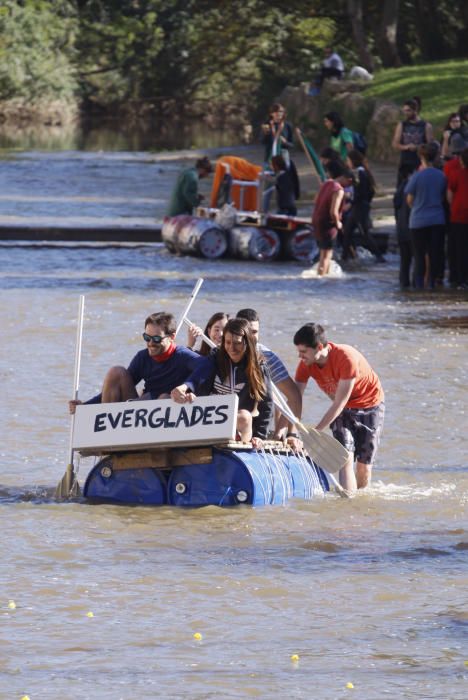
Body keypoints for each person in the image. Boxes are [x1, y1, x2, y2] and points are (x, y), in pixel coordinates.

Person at [293, 323, 384, 492]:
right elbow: (294, 398)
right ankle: (346, 506)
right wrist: (290, 431)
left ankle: (358, 500)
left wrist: (314, 433)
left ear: (319, 347)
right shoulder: (306, 364)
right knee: (344, 457)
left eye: (303, 352)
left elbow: (339, 402)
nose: (300, 356)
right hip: (343, 410)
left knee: (363, 469)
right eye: (298, 351)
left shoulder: (345, 358)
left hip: (370, 405)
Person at [69, 312, 201, 413]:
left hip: (168, 412)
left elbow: (206, 365)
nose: (150, 343)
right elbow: (116, 387)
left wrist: (185, 387)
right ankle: (110, 436)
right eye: (147, 337)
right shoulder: (142, 357)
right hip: (144, 409)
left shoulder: (183, 355)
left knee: (164, 398)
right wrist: (84, 407)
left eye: (156, 338)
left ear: (171, 337)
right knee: (116, 372)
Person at [171, 318, 273, 448]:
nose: (232, 348)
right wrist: (185, 387)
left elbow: (267, 404)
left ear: (248, 343)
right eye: (228, 342)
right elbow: (200, 373)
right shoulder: (216, 357)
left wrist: (260, 436)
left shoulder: (259, 367)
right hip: (210, 417)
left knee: (245, 416)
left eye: (237, 343)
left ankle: (239, 453)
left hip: (237, 423)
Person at [236, 308, 302, 443]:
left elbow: (294, 396)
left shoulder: (267, 357)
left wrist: (289, 434)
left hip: (255, 425)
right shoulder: (221, 351)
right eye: (247, 332)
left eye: (254, 332)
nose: (251, 337)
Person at [405, 143, 447, 289]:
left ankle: (418, 284)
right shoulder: (441, 175)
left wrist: (416, 206)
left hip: (418, 220)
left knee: (419, 255)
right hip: (437, 219)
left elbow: (409, 199)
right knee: (435, 253)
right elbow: (444, 196)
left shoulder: (416, 176)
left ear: (421, 157)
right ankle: (432, 282)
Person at [342, 149, 382, 261]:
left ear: (353, 161)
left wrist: (351, 202)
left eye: (348, 160)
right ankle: (345, 256)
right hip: (360, 207)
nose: (347, 163)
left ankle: (379, 256)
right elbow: (368, 192)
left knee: (363, 233)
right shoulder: (363, 172)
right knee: (348, 232)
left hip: (359, 208)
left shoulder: (360, 173)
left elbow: (360, 193)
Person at [312, 160, 350, 276]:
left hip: (317, 220)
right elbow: (333, 211)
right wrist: (338, 223)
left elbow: (315, 200)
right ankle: (321, 280)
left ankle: (322, 275)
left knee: (322, 253)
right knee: (327, 255)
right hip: (327, 225)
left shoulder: (326, 183)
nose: (349, 184)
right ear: (344, 177)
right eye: (349, 181)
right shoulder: (338, 190)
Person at [392, 98, 433, 184]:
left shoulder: (426, 126)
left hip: (420, 162)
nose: (406, 113)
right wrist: (406, 147)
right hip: (405, 162)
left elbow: (430, 146)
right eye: (405, 111)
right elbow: (395, 144)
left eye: (408, 110)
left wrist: (418, 147)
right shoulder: (402, 125)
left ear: (415, 110)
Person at [446, 147, 468, 289]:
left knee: (459, 248)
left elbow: (449, 195)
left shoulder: (456, 174)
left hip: (458, 215)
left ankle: (460, 279)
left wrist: (452, 206)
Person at [393, 162, 414, 289]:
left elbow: (396, 205)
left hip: (401, 228)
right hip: (411, 227)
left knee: (404, 261)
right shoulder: (410, 187)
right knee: (417, 258)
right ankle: (418, 285)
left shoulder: (400, 189)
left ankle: (404, 284)